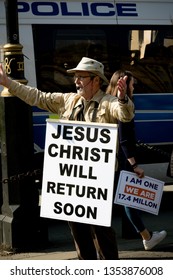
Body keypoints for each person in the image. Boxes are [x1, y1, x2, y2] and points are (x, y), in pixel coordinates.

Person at [0, 57, 134, 260]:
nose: (76, 81)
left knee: (100, 229)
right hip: (71, 179)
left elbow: (124, 114)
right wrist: (8, 83)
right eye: (76, 77)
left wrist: (123, 98)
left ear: (96, 80)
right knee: (77, 229)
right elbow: (37, 97)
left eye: (81, 77)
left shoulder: (109, 103)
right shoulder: (69, 100)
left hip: (98, 179)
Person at [106, 70, 167, 251]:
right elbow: (124, 139)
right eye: (132, 84)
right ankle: (146, 236)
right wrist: (134, 165)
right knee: (128, 199)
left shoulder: (108, 102)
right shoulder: (123, 105)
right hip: (122, 160)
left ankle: (145, 235)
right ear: (123, 85)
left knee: (123, 198)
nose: (134, 87)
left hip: (111, 157)